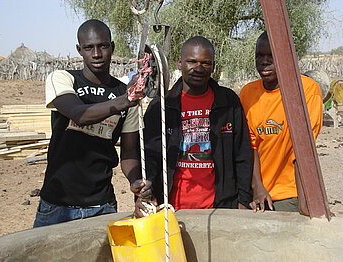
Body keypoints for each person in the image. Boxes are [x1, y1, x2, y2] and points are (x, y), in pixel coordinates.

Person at [33, 19, 143, 227]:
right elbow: (78, 115)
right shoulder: (63, 79)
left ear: (112, 47)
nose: (96, 54)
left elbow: (129, 154)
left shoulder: (126, 95)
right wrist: (126, 100)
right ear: (79, 50)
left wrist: (135, 180)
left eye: (102, 46)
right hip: (57, 204)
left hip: (102, 206)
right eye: (89, 48)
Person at [134, 36, 253, 216]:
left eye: (205, 63)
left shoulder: (228, 102)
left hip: (220, 207)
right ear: (179, 63)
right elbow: (149, 156)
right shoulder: (162, 106)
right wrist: (147, 193)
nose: (198, 68)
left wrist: (243, 200)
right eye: (192, 61)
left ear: (213, 66)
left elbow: (242, 153)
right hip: (172, 207)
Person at [239, 32, 323, 213]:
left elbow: (303, 148)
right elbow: (251, 145)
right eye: (259, 56)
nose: (264, 61)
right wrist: (257, 187)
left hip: (290, 194)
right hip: (257, 193)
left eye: (271, 56)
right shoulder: (248, 94)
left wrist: (305, 201)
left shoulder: (306, 91)